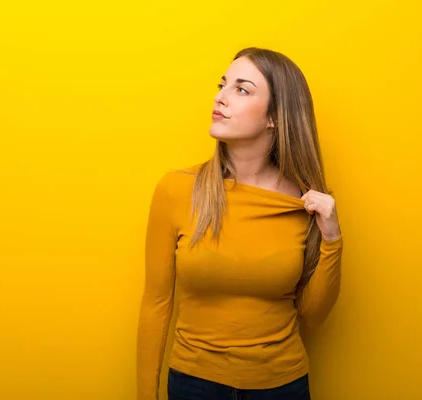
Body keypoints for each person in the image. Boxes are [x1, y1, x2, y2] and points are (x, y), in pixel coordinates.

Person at [136, 47, 343, 400]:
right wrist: (145, 394)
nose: (220, 97)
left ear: (274, 117)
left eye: (241, 89)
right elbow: (156, 303)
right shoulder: (176, 190)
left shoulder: (305, 203)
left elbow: (312, 316)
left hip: (283, 386)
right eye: (223, 84)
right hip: (193, 384)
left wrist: (332, 238)